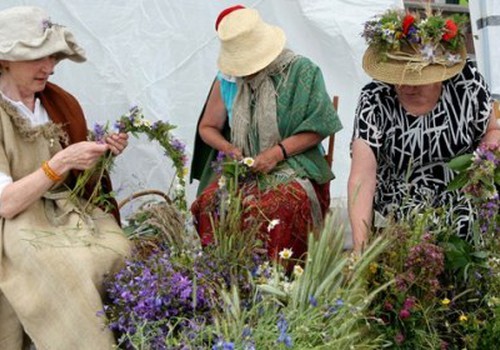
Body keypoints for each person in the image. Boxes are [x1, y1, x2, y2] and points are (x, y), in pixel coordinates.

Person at [0, 6, 131, 349]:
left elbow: (79, 180)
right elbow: (6, 203)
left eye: (53, 56)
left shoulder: (59, 102)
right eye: (36, 57)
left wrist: (101, 153)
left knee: (119, 249)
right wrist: (59, 163)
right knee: (69, 267)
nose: (50, 67)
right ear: (5, 60)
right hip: (16, 222)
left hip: (67, 211)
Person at [190, 6, 342, 259]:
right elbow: (207, 127)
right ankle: (226, 276)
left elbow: (319, 128)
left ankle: (281, 279)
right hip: (245, 164)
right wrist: (227, 148)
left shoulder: (303, 71)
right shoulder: (229, 79)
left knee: (276, 207)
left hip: (295, 160)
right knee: (209, 204)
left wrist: (276, 153)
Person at [348, 9, 500, 252]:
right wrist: (360, 249)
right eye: (397, 76)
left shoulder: (467, 84)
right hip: (402, 193)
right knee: (421, 231)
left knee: (470, 222)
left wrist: (485, 157)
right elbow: (362, 177)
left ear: (440, 72)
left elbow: (492, 130)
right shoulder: (375, 98)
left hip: (461, 185)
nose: (403, 85)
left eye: (415, 78)